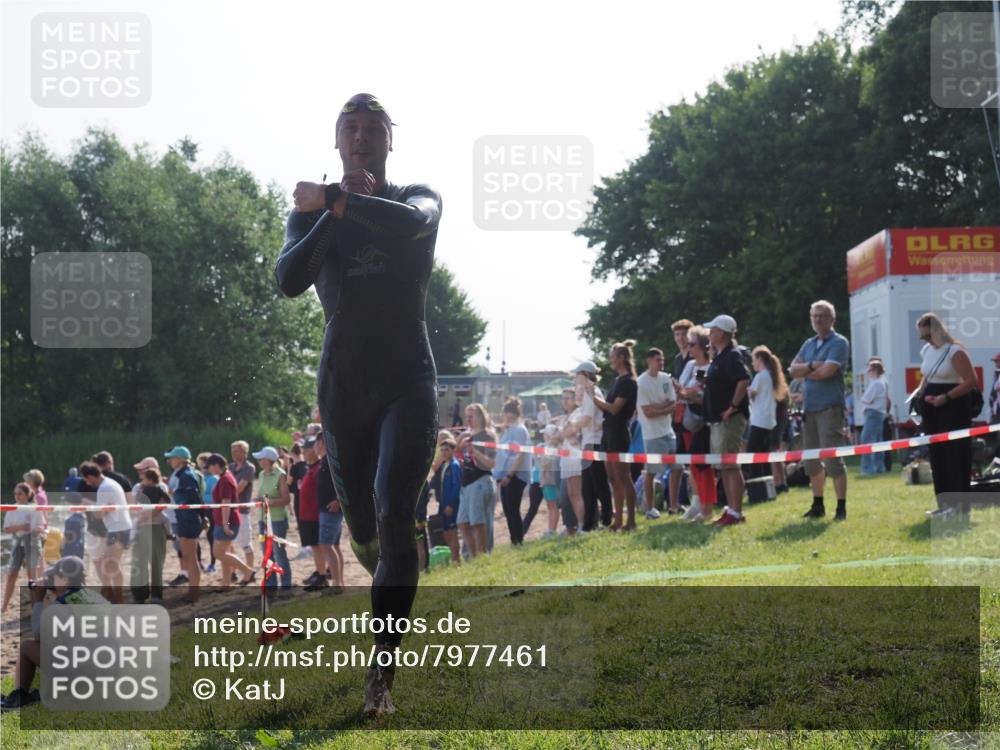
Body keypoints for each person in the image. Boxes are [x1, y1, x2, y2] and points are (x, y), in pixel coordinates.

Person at [275, 93, 441, 715]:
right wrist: (329, 211)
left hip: (407, 380)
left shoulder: (415, 196)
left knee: (394, 514)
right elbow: (290, 280)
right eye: (351, 127)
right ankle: (387, 562)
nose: (362, 136)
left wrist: (336, 200)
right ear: (337, 140)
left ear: (390, 140)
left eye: (374, 128)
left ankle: (381, 676)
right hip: (342, 386)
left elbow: (410, 224)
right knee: (367, 534)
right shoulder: (312, 213)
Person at [0, 556, 107, 711]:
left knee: (27, 646)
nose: (50, 581)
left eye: (53, 577)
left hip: (87, 674)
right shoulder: (92, 596)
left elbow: (38, 635)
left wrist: (38, 600)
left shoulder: (62, 604)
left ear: (64, 580)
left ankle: (19, 696)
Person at [788, 300, 851, 521]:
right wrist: (812, 366)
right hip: (810, 409)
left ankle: (841, 507)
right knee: (811, 460)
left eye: (823, 316)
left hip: (830, 408)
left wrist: (806, 371)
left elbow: (827, 372)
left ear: (832, 319)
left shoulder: (839, 342)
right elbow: (792, 370)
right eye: (814, 316)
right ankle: (818, 505)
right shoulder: (809, 344)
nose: (818, 319)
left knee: (832, 459)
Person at [915, 313, 978, 517]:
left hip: (953, 408)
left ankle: (959, 507)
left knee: (954, 455)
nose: (925, 340)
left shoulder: (955, 351)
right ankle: (943, 504)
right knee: (937, 455)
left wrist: (946, 397)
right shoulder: (927, 350)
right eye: (922, 337)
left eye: (927, 336)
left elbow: (971, 380)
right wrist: (920, 392)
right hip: (932, 408)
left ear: (938, 331)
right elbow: (927, 375)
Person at [584, 339, 639, 531]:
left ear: (622, 358)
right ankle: (618, 520)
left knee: (624, 477)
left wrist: (593, 396)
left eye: (613, 357)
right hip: (608, 433)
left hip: (619, 433)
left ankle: (631, 520)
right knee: (614, 479)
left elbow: (614, 409)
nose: (611, 361)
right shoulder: (617, 381)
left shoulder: (629, 382)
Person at [701, 315, 750, 526]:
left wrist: (732, 407)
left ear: (721, 333)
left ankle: (736, 512)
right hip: (718, 419)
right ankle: (731, 509)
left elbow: (743, 380)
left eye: (712, 330)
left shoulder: (732, 355)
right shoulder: (721, 355)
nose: (709, 333)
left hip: (730, 418)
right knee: (724, 466)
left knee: (730, 465)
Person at [676, 326, 718, 522]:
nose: (688, 346)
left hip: (701, 422)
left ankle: (707, 508)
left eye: (692, 343)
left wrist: (690, 394)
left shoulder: (708, 368)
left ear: (703, 347)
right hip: (686, 421)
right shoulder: (691, 366)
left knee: (703, 466)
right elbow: (685, 388)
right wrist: (684, 392)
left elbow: (704, 394)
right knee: (693, 466)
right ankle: (697, 503)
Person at [79, 461, 132, 604]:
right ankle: (110, 593)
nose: (86, 483)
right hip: (120, 527)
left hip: (118, 528)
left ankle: (117, 597)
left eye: (85, 479)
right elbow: (103, 511)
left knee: (111, 564)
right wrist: (102, 508)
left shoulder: (104, 488)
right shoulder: (111, 483)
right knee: (109, 563)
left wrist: (88, 504)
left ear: (90, 476)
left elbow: (98, 515)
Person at [204, 454, 256, 590]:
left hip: (227, 522)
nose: (208, 469)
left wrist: (226, 525)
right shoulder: (226, 477)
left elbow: (226, 504)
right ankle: (226, 584)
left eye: (209, 466)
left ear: (216, 465)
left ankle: (248, 571)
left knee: (218, 553)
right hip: (225, 521)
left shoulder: (225, 480)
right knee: (224, 553)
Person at [637, 347, 677, 518]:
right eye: (657, 360)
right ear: (649, 361)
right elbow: (647, 412)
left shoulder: (666, 378)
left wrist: (657, 407)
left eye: (662, 360)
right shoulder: (641, 382)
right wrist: (664, 407)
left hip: (669, 430)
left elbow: (673, 403)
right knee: (652, 471)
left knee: (678, 467)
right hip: (652, 434)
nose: (661, 363)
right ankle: (650, 508)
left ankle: (674, 505)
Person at [574, 362, 612, 530]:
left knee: (598, 484)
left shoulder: (591, 392)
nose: (575, 378)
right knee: (589, 487)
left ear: (584, 374)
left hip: (594, 443)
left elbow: (587, 418)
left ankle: (606, 520)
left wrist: (571, 426)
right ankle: (590, 524)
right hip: (590, 442)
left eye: (577, 374)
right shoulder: (590, 392)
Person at [456, 403, 497, 559]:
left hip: (480, 480)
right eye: (466, 416)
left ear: (480, 416)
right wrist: (460, 444)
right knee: (462, 522)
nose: (468, 419)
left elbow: (491, 463)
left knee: (477, 522)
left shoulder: (487, 435)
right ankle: (473, 556)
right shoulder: (468, 435)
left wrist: (475, 452)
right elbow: (457, 452)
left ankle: (482, 556)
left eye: (471, 416)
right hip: (466, 483)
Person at [164, 446, 203, 603]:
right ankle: (192, 591)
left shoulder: (186, 475)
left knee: (191, 558)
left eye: (172, 457)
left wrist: (203, 517)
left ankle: (194, 593)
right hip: (184, 517)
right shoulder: (180, 473)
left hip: (188, 518)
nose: (169, 460)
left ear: (180, 459)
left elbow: (193, 497)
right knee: (188, 557)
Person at [747, 346, 788, 490]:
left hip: (759, 420)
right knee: (764, 455)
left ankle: (757, 486)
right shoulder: (771, 376)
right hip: (769, 420)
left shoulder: (760, 376)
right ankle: (768, 487)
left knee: (753, 454)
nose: (752, 363)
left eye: (753, 360)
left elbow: (752, 394)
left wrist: (746, 391)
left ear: (759, 359)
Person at [493, 397, 532, 546]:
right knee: (508, 510)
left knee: (513, 510)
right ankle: (514, 540)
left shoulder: (519, 430)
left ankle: (518, 540)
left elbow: (519, 455)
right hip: (505, 475)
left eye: (506, 413)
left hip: (515, 475)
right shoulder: (509, 430)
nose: (505, 416)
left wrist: (510, 475)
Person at [1, 483, 45, 614]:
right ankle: (4, 606)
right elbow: (6, 529)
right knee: (11, 575)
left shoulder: (35, 508)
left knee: (31, 576)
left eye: (19, 493)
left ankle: (35, 605)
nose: (17, 496)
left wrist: (37, 530)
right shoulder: (12, 508)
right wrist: (20, 527)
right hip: (18, 544)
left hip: (32, 543)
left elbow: (41, 526)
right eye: (15, 493)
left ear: (27, 494)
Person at [130, 465, 170, 604]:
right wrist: (140, 517)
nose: (141, 474)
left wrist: (147, 516)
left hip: (155, 527)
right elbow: (134, 506)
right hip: (142, 527)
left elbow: (162, 505)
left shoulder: (161, 487)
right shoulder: (139, 487)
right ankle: (139, 594)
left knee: (156, 562)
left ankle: (156, 595)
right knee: (138, 560)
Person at [312, 435, 346, 593]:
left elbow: (344, 480)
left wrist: (338, 500)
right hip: (328, 509)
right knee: (334, 546)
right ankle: (339, 583)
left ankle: (337, 585)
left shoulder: (331, 460)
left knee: (326, 546)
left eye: (315, 443)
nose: (314, 446)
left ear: (321, 442)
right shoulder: (326, 460)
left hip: (330, 509)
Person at [296, 438, 324, 588]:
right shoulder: (310, 468)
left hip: (314, 515)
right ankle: (319, 573)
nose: (303, 453)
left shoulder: (318, 468)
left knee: (317, 546)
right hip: (307, 514)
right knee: (314, 547)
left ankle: (322, 576)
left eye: (306, 450)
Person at [229, 441, 257, 576]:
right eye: (233, 451)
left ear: (244, 452)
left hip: (242, 510)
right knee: (228, 542)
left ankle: (249, 571)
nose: (233, 453)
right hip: (230, 509)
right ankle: (232, 572)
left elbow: (239, 488)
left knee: (245, 543)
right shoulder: (231, 467)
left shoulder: (249, 468)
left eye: (236, 451)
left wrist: (225, 495)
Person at [433, 438, 462, 562]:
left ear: (453, 451)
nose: (444, 452)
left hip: (451, 505)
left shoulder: (454, 465)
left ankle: (456, 560)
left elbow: (457, 487)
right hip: (443, 504)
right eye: (442, 450)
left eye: (447, 450)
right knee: (446, 532)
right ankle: (453, 559)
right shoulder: (445, 465)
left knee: (452, 532)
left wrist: (451, 504)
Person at [859, 360, 890, 476]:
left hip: (873, 413)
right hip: (879, 413)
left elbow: (866, 399)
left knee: (867, 440)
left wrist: (865, 398)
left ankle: (868, 468)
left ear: (875, 371)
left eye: (870, 370)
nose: (868, 372)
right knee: (877, 442)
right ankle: (879, 467)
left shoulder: (876, 383)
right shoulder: (883, 381)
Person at [196, 452, 219, 573]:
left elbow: (215, 497)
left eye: (204, 464)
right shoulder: (200, 477)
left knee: (211, 537)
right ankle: (199, 562)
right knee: (195, 535)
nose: (202, 467)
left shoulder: (214, 478)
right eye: (200, 464)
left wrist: (200, 497)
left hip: (210, 510)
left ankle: (213, 563)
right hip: (201, 510)